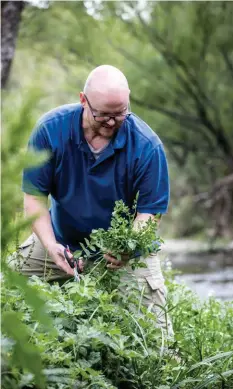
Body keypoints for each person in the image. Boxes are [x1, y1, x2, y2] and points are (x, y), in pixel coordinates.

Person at [14, 65, 171, 333]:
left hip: (126, 252)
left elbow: (148, 213)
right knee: (8, 290)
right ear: (83, 100)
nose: (112, 122)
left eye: (120, 113)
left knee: (158, 345)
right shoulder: (50, 131)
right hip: (61, 242)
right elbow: (35, 199)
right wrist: (51, 245)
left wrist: (127, 247)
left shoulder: (148, 146)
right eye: (103, 115)